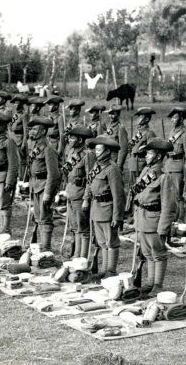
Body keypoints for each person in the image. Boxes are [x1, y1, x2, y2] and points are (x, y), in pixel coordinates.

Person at [133, 138, 176, 296]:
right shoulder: (146, 172)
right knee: (147, 253)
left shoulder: (164, 177)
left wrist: (163, 227)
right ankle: (150, 282)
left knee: (158, 253)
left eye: (149, 153)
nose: (146, 156)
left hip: (154, 220)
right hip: (142, 218)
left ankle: (158, 284)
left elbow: (169, 205)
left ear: (158, 156)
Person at [83, 136, 125, 278]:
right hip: (96, 208)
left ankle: (111, 271)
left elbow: (118, 195)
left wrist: (117, 216)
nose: (96, 152)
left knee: (111, 242)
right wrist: (86, 199)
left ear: (107, 152)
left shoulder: (112, 169)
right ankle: (104, 269)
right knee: (102, 242)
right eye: (95, 149)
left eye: (99, 150)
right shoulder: (97, 166)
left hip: (108, 209)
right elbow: (90, 184)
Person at [27, 117, 61, 251]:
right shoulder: (35, 148)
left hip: (44, 186)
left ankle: (46, 246)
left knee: (45, 217)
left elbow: (54, 174)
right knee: (37, 216)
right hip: (35, 185)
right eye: (32, 129)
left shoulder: (48, 150)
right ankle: (39, 245)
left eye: (35, 129)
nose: (32, 132)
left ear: (43, 132)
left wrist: (48, 193)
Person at [63, 126, 96, 258]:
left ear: (80, 139)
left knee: (84, 229)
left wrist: (86, 198)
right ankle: (76, 255)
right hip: (71, 192)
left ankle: (83, 257)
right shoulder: (71, 152)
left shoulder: (88, 155)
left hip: (81, 194)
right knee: (75, 226)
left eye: (72, 137)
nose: (69, 140)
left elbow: (90, 178)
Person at [166, 107, 186, 223]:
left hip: (178, 167)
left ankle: (181, 218)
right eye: (172, 118)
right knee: (170, 193)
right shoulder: (172, 132)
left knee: (178, 194)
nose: (172, 120)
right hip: (169, 165)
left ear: (181, 118)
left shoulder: (184, 134)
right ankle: (173, 216)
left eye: (175, 117)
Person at [128, 107, 156, 189]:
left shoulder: (149, 133)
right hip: (133, 164)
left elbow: (152, 152)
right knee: (131, 188)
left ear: (147, 119)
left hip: (141, 165)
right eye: (138, 117)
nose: (138, 119)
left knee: (140, 188)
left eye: (140, 117)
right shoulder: (138, 133)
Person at [104, 105, 128, 171]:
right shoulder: (109, 126)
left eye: (113, 114)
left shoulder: (120, 128)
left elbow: (123, 148)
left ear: (118, 114)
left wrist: (119, 165)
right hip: (107, 157)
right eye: (109, 113)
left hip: (114, 158)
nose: (111, 116)